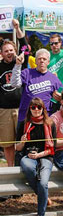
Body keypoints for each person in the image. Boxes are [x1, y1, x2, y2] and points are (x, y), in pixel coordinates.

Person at [16, 97, 56, 216]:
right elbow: (17, 148)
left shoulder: (50, 124)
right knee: (28, 168)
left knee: (43, 183)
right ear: (30, 109)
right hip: (28, 155)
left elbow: (52, 148)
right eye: (33, 107)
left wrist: (39, 154)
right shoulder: (24, 124)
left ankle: (41, 213)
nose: (36, 110)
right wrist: (22, 142)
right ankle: (43, 195)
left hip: (45, 156)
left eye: (39, 107)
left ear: (43, 109)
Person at [0, 19, 29, 166]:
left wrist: (17, 28)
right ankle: (10, 169)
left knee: (22, 141)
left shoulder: (20, 61)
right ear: (2, 53)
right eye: (6, 51)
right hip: (3, 111)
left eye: (11, 50)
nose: (9, 53)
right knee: (7, 143)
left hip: (21, 109)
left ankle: (22, 170)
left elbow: (25, 46)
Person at [10, 48, 63, 123]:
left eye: (44, 59)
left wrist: (60, 97)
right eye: (39, 59)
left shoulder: (53, 78)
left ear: (48, 62)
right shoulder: (27, 73)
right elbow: (14, 83)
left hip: (45, 119)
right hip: (26, 118)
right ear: (35, 61)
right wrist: (18, 65)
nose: (42, 61)